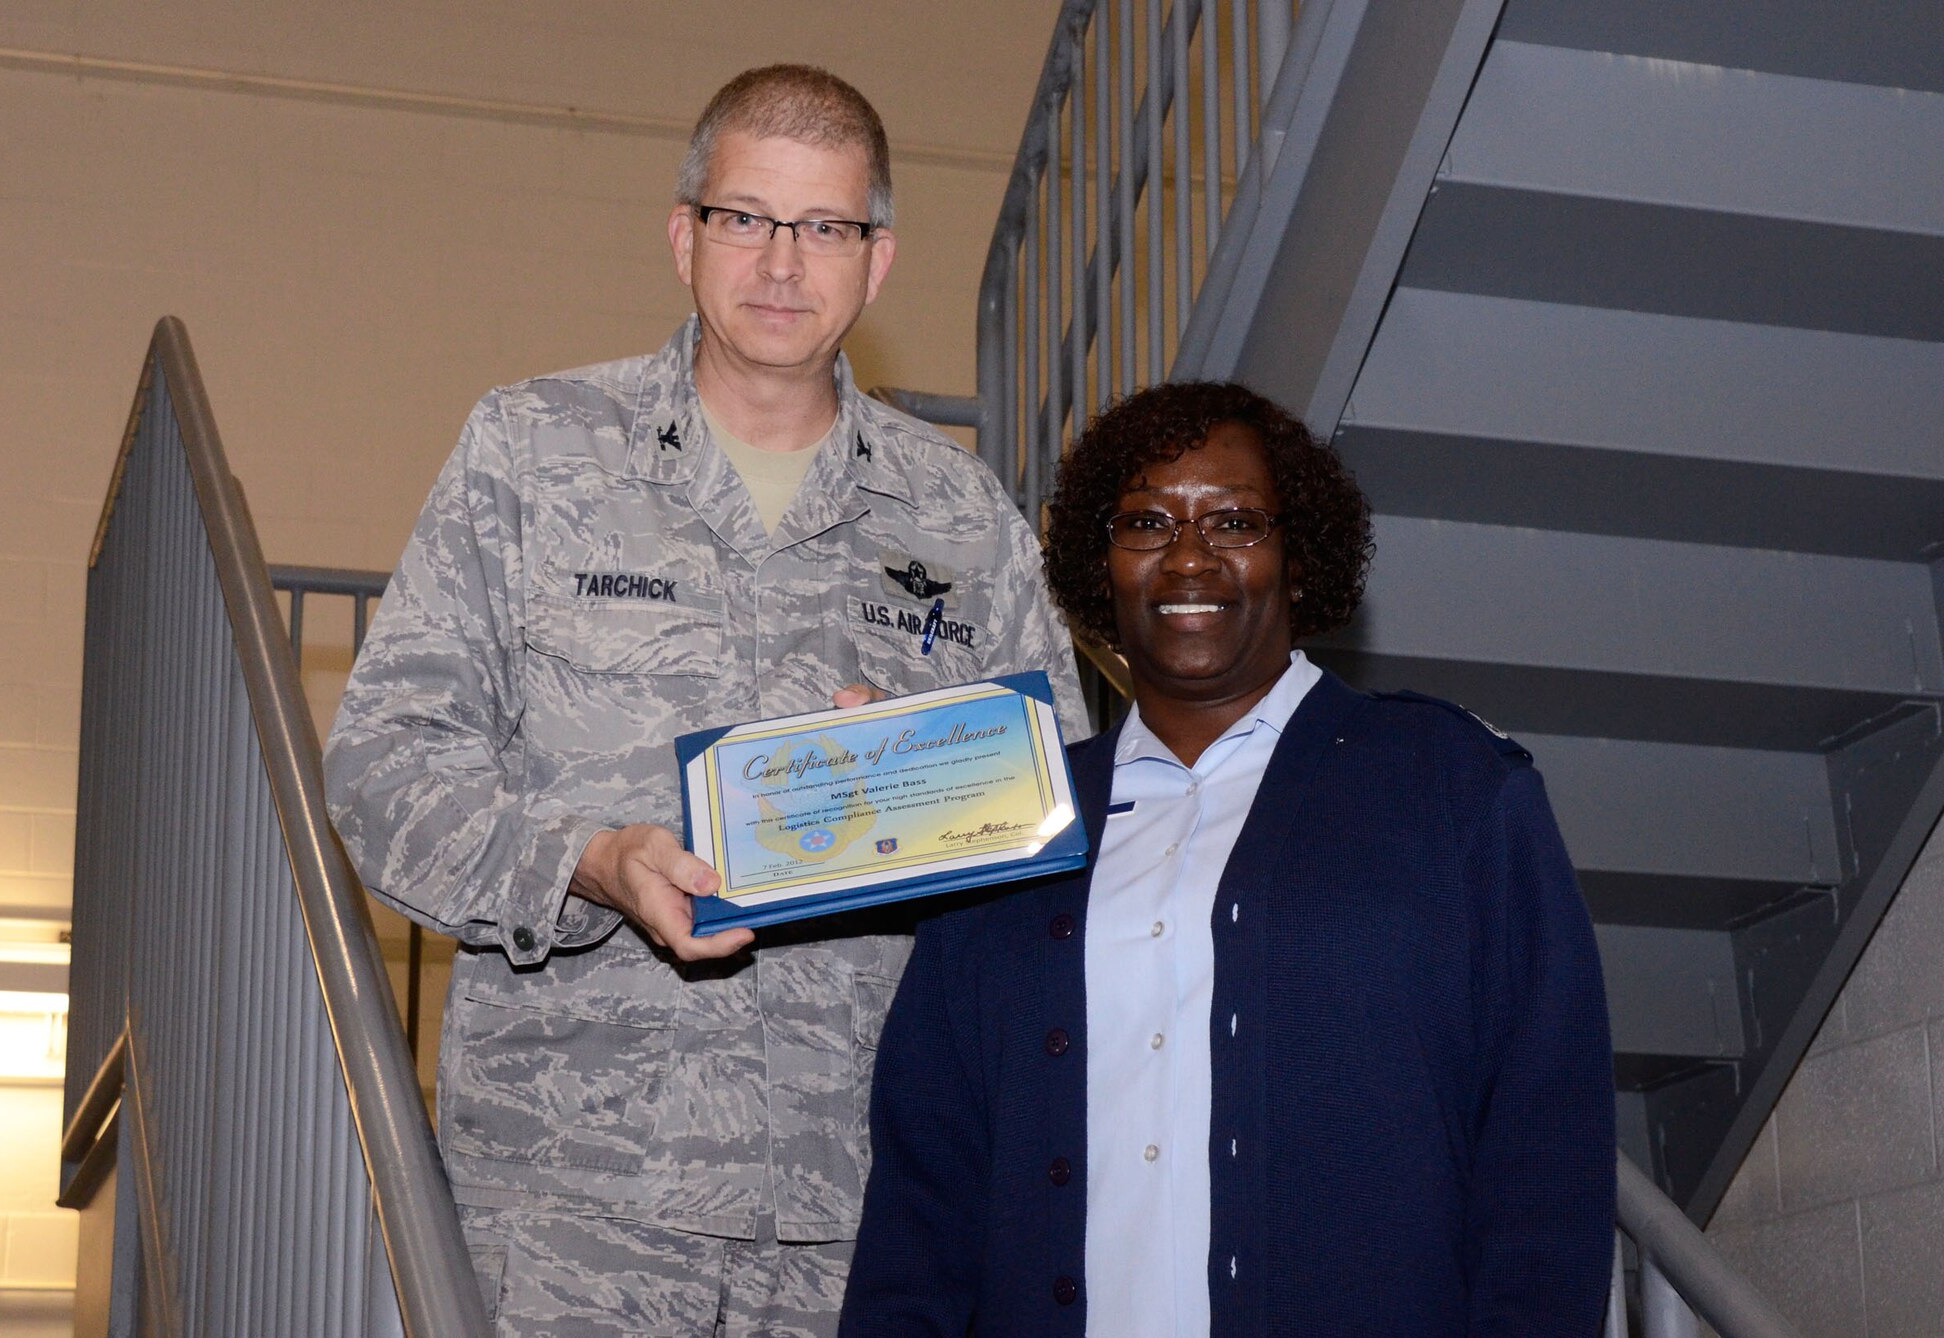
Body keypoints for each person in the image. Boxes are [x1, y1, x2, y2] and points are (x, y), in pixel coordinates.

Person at [324, 64, 1087, 1336]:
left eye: (824, 227)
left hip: (869, 1202)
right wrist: (589, 862)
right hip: (574, 1200)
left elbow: (1047, 825)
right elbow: (386, 769)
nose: (781, 263)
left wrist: (924, 783)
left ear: (876, 259)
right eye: (746, 217)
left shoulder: (960, 518)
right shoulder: (533, 451)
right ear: (684, 236)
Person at [840, 381, 1615, 1337]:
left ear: (1298, 560)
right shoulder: (1008, 818)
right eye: (1148, 522)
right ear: (1101, 563)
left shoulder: (1452, 787)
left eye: (1237, 521)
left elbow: (1546, 1149)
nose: (1191, 555)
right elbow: (927, 1181)